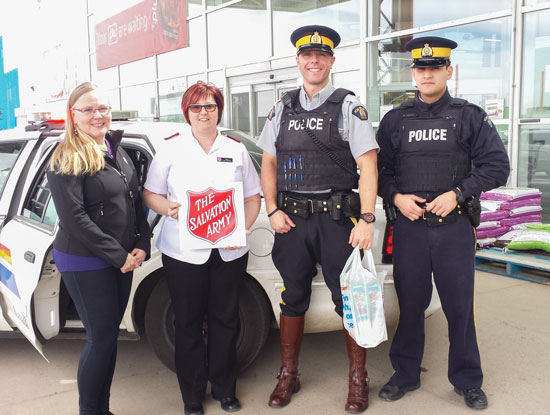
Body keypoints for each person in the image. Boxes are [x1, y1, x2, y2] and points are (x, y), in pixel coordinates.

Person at [376, 36, 510, 410]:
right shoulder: (395, 120)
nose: (428, 74)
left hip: (453, 228)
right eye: (421, 68)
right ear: (413, 73)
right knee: (410, 305)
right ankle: (405, 373)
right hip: (410, 230)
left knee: (459, 308)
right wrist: (398, 198)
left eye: (436, 68)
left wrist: (459, 192)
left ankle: (467, 380)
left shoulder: (469, 116)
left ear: (449, 71)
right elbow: (380, 172)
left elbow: (497, 167)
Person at [257, 25, 379, 413]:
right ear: (298, 61)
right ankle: (288, 374)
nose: (314, 61)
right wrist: (272, 208)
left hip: (337, 220)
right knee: (293, 297)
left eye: (321, 55)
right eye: (307, 55)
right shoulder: (281, 107)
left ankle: (358, 379)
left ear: (331, 61)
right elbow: (269, 161)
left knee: (349, 298)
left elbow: (368, 166)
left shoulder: (348, 105)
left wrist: (367, 218)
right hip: (291, 220)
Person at [142, 81, 261, 415]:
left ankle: (225, 389)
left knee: (225, 320)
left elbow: (252, 195)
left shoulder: (235, 149)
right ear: (187, 113)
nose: (204, 112)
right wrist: (167, 209)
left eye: (210, 106)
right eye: (197, 107)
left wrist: (246, 225)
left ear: (219, 110)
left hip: (229, 251)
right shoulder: (171, 149)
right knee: (188, 322)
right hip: (183, 252)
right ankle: (192, 396)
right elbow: (150, 193)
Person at [48, 82, 151, 415]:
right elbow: (74, 218)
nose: (98, 115)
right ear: (73, 115)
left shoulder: (115, 148)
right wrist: (118, 255)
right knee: (100, 339)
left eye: (102, 108)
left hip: (120, 258)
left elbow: (135, 202)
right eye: (88, 109)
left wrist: (141, 245)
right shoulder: (66, 156)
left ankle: (102, 410)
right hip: (84, 260)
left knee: (108, 339)